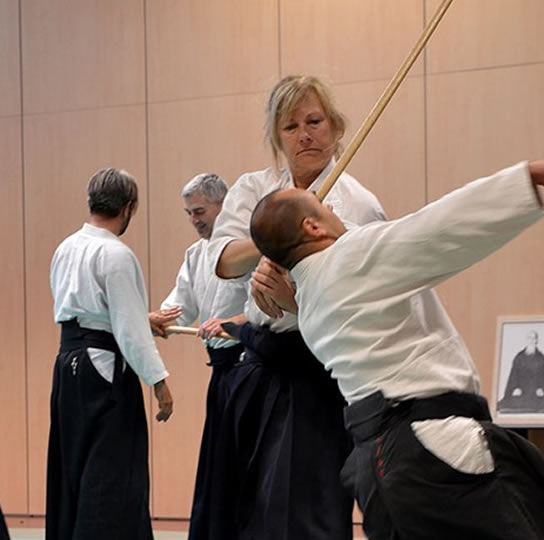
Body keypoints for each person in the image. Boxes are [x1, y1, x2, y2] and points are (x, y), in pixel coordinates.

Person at [247, 156, 544, 540]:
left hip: (380, 467)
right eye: (323, 207)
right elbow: (437, 227)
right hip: (429, 450)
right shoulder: (351, 258)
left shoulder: (310, 306)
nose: (334, 208)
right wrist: (526, 178)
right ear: (312, 225)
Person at [205, 75, 386, 540]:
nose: (305, 134)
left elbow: (367, 291)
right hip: (260, 367)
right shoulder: (254, 189)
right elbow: (222, 260)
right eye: (291, 126)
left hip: (320, 370)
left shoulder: (358, 204)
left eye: (314, 121)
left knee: (306, 512)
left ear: (335, 126)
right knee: (246, 510)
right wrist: (270, 241)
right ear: (276, 136)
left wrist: (294, 286)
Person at [47, 168, 173, 540]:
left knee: (73, 465)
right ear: (129, 207)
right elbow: (129, 333)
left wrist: (137, 317)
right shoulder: (116, 254)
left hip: (68, 364)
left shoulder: (65, 247)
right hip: (104, 368)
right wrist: (159, 383)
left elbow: (87, 312)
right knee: (112, 473)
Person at [147, 173, 248, 539]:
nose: (195, 220)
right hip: (221, 372)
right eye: (189, 213)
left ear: (224, 206)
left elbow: (266, 310)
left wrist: (234, 323)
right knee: (218, 467)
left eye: (200, 211)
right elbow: (180, 306)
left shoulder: (247, 247)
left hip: (249, 367)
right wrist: (157, 318)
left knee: (242, 463)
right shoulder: (195, 254)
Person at [497, 329, 544, 413]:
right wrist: (515, 388)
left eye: (533, 338)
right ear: (526, 340)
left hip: (535, 390)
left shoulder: (541, 358)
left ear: (536, 340)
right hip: (521, 390)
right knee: (510, 403)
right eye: (529, 338)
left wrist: (542, 389)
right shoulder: (519, 357)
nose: (531, 340)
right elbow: (513, 375)